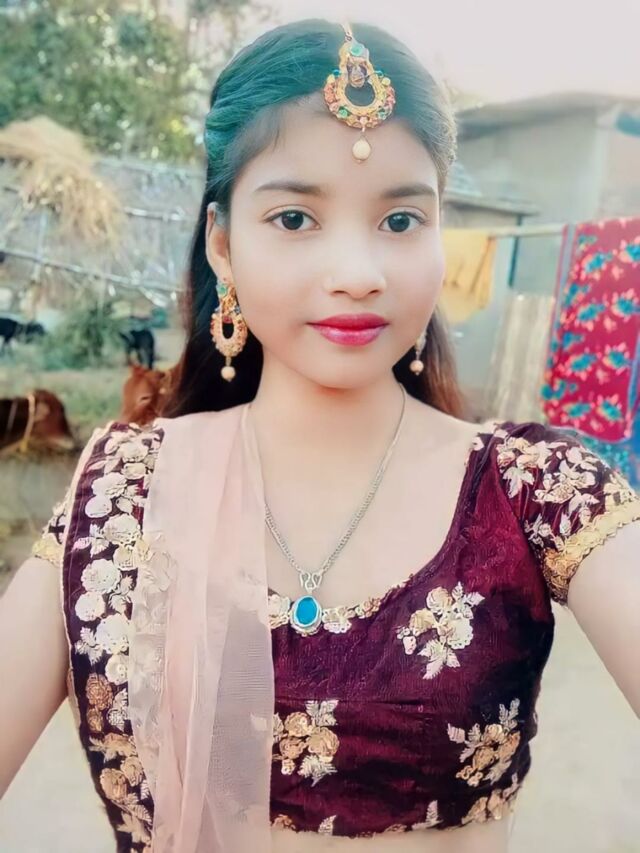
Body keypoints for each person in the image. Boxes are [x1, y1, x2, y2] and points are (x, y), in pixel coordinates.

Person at [1, 18, 639, 853]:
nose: (358, 272)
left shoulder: (533, 490)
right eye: (296, 217)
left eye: (401, 221)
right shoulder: (127, 492)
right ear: (222, 245)